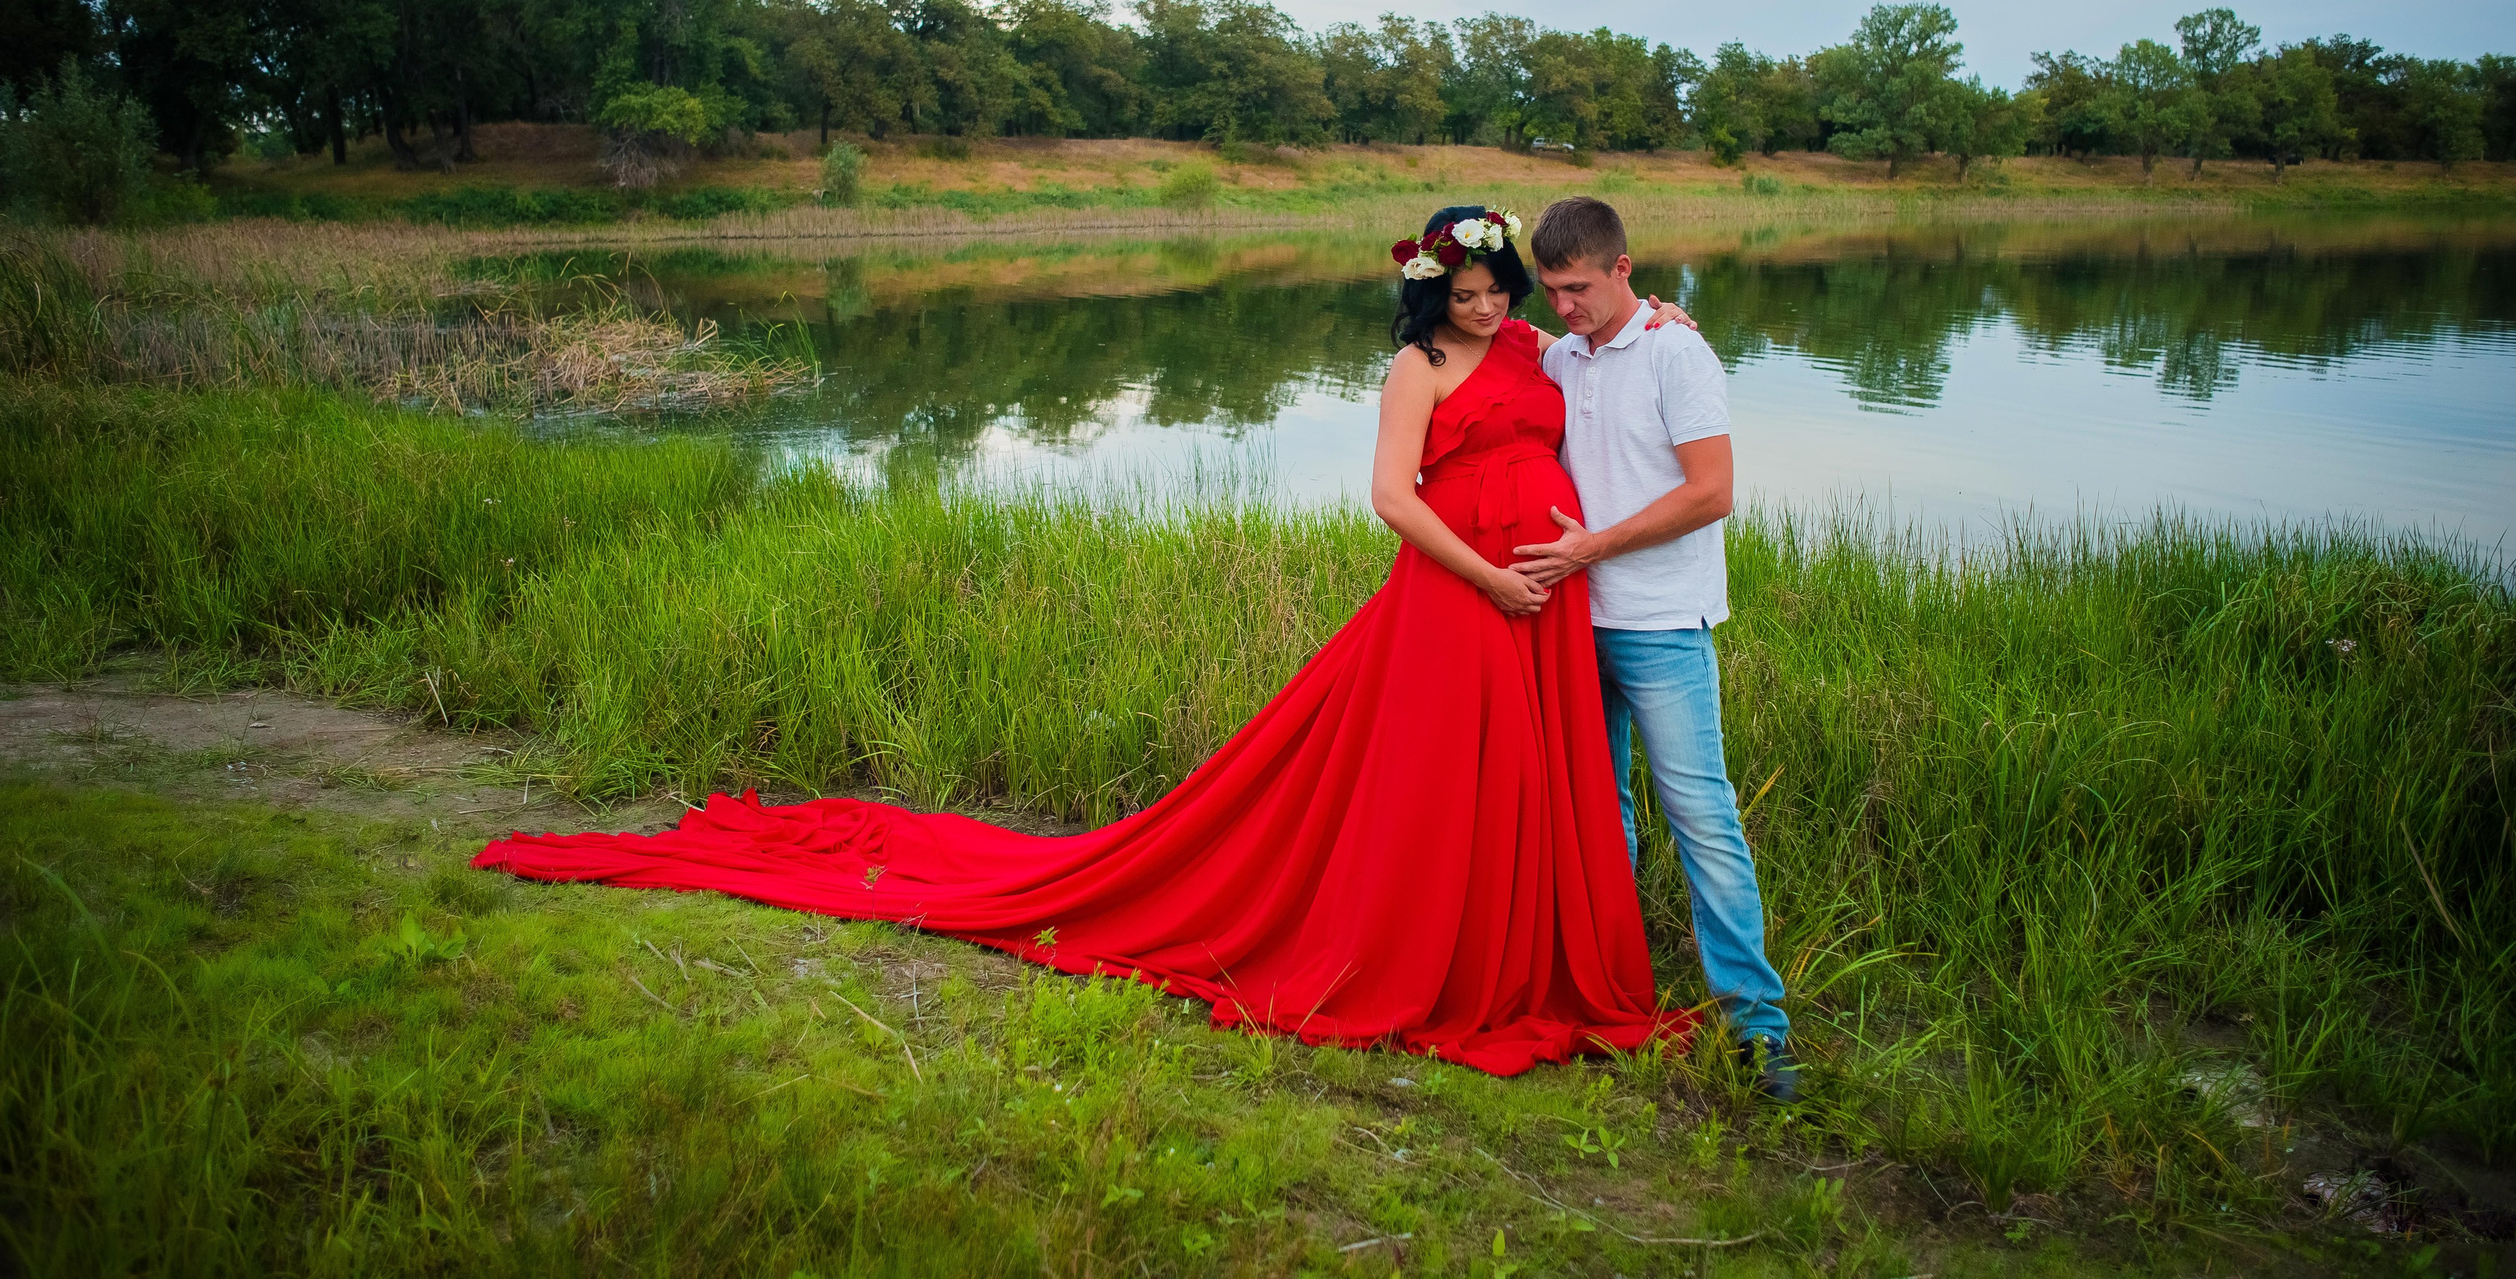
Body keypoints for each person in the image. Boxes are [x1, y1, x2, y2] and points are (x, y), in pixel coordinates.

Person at [475, 206, 1697, 1077]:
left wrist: (1664, 317)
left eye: (1498, 293)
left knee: (1539, 774)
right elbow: (1389, 498)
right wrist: (1491, 574)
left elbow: (1616, 344)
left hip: (1553, 595)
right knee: (1437, 777)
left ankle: (1539, 963)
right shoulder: (1417, 365)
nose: (1483, 309)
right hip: (1463, 590)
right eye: (1464, 295)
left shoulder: (1547, 346)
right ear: (1431, 293)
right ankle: (1434, 960)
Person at [1511, 196, 1796, 1102]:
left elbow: (1713, 493)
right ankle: (1617, 989)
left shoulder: (1679, 350)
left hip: (1662, 621)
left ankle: (1758, 1026)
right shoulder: (1557, 354)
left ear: (1624, 270)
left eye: (1580, 288)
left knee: (1701, 816)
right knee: (1600, 813)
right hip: (1569, 625)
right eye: (1551, 291)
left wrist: (1592, 545)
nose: (1564, 307)